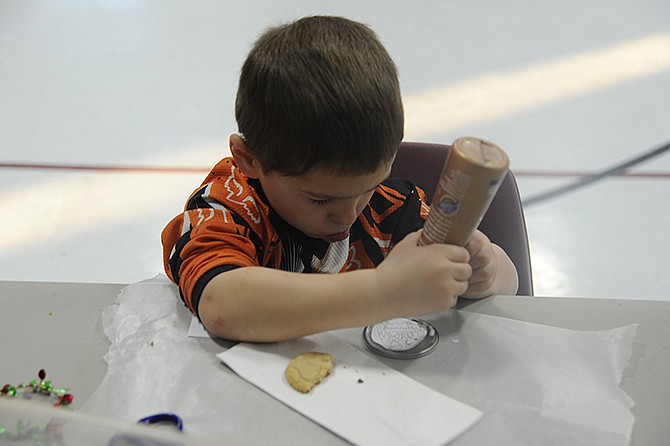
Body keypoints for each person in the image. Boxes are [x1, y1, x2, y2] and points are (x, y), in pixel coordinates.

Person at [161, 16, 518, 342]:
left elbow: (510, 284)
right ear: (250, 159)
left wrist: (486, 271)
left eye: (367, 189)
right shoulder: (227, 204)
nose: (348, 216)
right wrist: (383, 291)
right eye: (321, 200)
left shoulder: (392, 207)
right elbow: (222, 306)